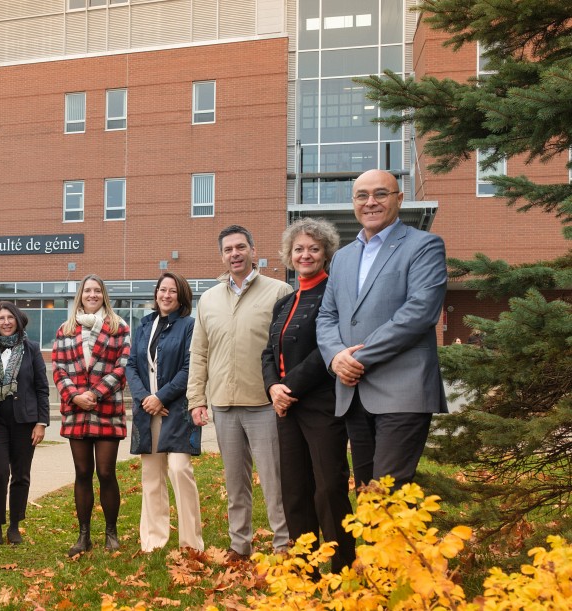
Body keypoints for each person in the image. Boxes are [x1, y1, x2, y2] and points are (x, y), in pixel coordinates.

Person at [317, 169, 448, 490]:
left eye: (381, 194)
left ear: (399, 199)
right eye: (362, 196)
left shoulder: (424, 245)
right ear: (353, 203)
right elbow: (326, 317)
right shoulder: (342, 258)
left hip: (402, 391)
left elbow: (419, 313)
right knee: (367, 495)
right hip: (354, 394)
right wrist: (335, 358)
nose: (370, 202)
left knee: (389, 496)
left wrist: (357, 359)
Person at [187, 225, 293, 561]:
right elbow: (199, 352)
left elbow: (287, 347)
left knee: (275, 480)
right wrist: (196, 399)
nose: (235, 253)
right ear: (222, 255)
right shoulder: (209, 299)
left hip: (264, 403)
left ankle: (283, 544)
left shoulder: (279, 291)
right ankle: (239, 545)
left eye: (240, 247)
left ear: (252, 250)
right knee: (235, 483)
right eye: (228, 249)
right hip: (224, 405)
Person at [261, 218, 355, 572]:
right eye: (298, 249)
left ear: (326, 253)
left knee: (329, 488)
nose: (305, 254)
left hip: (321, 405)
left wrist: (290, 388)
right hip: (286, 409)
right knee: (295, 491)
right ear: (289, 254)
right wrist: (273, 387)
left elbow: (326, 350)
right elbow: (268, 351)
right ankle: (305, 569)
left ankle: (342, 567)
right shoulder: (284, 303)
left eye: (313, 248)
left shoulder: (334, 294)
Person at [52, 274, 131, 556]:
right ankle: (83, 535)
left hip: (107, 408)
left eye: (98, 290)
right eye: (88, 290)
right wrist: (74, 396)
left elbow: (124, 367)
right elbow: (59, 369)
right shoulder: (66, 329)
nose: (93, 295)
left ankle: (111, 532)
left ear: (104, 295)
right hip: (76, 410)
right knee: (82, 472)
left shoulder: (118, 327)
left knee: (106, 472)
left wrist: (95, 394)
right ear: (80, 295)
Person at [126, 271, 204, 552]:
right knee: (151, 476)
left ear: (181, 296)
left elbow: (189, 368)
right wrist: (146, 398)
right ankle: (154, 540)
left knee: (179, 469)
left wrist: (161, 397)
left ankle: (191, 542)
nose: (166, 295)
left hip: (178, 410)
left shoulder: (189, 326)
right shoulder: (145, 325)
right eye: (162, 290)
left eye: (172, 291)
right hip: (148, 411)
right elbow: (131, 365)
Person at [0, 302, 50, 545]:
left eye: (10, 317)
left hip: (25, 421)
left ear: (18, 320)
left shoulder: (32, 349)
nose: (6, 322)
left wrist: (41, 422)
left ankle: (15, 524)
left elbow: (41, 388)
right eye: (0, 318)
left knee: (20, 474)